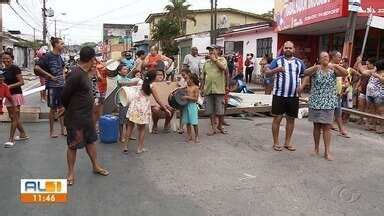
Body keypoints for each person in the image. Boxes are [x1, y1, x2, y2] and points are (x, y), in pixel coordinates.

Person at [62, 46, 109, 186]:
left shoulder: (85, 72)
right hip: (75, 118)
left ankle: (95, 166)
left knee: (90, 141)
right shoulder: (75, 74)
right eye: (94, 59)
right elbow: (65, 96)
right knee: (73, 145)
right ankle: (70, 173)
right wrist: (68, 109)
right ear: (91, 58)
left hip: (87, 116)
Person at [302, 51, 348, 161]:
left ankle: (327, 151)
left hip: (328, 102)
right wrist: (316, 66)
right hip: (316, 101)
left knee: (327, 127)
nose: (325, 58)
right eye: (322, 57)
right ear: (319, 59)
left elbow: (345, 72)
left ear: (329, 58)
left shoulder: (334, 70)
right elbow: (305, 72)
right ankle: (316, 148)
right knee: (316, 126)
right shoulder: (316, 69)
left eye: (326, 56)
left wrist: (336, 65)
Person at [264, 41, 305, 151]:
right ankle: (276, 142)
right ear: (283, 49)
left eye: (290, 48)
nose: (288, 49)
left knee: (291, 120)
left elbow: (305, 75)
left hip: (293, 96)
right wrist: (276, 70)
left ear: (293, 49)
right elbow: (267, 72)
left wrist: (302, 86)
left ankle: (287, 142)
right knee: (277, 118)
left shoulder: (299, 62)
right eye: (286, 48)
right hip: (279, 95)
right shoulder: (277, 61)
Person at [125, 71, 172, 154]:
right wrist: (166, 109)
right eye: (157, 75)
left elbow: (129, 83)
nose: (159, 77)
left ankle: (125, 146)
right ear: (153, 78)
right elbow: (158, 100)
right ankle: (140, 148)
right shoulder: (151, 86)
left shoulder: (140, 81)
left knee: (130, 126)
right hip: (143, 107)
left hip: (134, 105)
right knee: (142, 129)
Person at [34, 37, 66, 138]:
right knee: (53, 109)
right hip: (52, 87)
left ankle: (63, 129)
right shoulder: (48, 56)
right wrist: (50, 76)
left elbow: (63, 67)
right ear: (56, 45)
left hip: (62, 86)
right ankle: (51, 131)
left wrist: (64, 76)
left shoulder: (60, 56)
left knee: (62, 108)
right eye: (61, 43)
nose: (63, 45)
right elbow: (37, 68)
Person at [2, 52, 29, 147]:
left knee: (14, 117)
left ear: (12, 59)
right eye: (3, 58)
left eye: (8, 58)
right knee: (13, 117)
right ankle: (23, 134)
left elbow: (22, 82)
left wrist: (8, 87)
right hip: (8, 96)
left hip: (16, 95)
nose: (5, 60)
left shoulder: (15, 68)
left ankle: (11, 139)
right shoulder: (3, 70)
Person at [201, 45, 228, 135]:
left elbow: (223, 69)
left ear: (218, 51)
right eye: (209, 51)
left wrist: (215, 60)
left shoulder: (222, 60)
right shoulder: (206, 63)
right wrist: (202, 88)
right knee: (210, 110)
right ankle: (213, 128)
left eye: (212, 50)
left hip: (219, 89)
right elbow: (203, 77)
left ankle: (220, 125)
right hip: (208, 90)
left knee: (220, 110)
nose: (211, 52)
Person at [357, 57, 384, 133]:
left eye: (377, 66)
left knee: (380, 112)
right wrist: (359, 62)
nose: (376, 67)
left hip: (379, 95)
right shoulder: (373, 71)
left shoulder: (382, 73)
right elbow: (364, 72)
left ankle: (382, 127)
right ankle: (372, 125)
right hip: (370, 94)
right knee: (371, 111)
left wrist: (378, 76)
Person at [329, 51, 349, 137]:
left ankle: (341, 129)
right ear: (333, 57)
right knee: (329, 112)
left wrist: (342, 90)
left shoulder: (338, 67)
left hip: (337, 93)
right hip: (329, 94)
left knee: (338, 112)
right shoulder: (329, 66)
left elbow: (344, 76)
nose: (340, 59)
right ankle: (325, 127)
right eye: (339, 57)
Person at [116, 64, 137, 145]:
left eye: (126, 69)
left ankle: (129, 135)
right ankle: (121, 136)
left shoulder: (128, 79)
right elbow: (121, 83)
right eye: (124, 69)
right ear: (119, 71)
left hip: (129, 101)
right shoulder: (118, 78)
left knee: (129, 119)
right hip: (122, 102)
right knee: (122, 120)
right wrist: (133, 82)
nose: (126, 70)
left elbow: (133, 83)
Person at [151, 69, 175, 133]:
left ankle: (166, 124)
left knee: (172, 108)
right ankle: (155, 125)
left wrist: (170, 85)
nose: (160, 76)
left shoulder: (166, 83)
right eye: (158, 74)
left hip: (165, 103)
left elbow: (173, 90)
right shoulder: (151, 84)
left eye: (161, 74)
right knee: (156, 109)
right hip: (154, 104)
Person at [355, 57, 376, 126]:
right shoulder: (365, 68)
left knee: (369, 108)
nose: (367, 65)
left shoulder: (374, 70)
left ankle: (368, 121)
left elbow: (363, 72)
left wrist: (359, 62)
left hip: (370, 92)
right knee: (361, 105)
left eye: (368, 64)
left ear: (373, 65)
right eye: (366, 64)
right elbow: (361, 76)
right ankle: (360, 119)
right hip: (363, 90)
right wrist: (358, 86)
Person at [182, 73, 200, 143]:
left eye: (188, 79)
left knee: (194, 122)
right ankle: (189, 136)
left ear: (192, 80)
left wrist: (187, 97)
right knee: (188, 122)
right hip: (186, 105)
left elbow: (196, 99)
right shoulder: (187, 87)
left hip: (192, 106)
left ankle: (196, 136)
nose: (187, 80)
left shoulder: (196, 87)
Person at [0, 70, 17, 147]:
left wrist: (14, 107)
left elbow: (10, 98)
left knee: (14, 118)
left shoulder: (4, 86)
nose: (1, 78)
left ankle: (11, 139)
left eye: (2, 77)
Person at [176, 68, 191, 134]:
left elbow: (187, 88)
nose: (183, 76)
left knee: (187, 114)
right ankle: (181, 127)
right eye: (182, 75)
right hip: (183, 99)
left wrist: (181, 87)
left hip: (189, 99)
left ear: (189, 74)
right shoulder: (182, 80)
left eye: (184, 75)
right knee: (182, 113)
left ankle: (185, 128)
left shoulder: (190, 80)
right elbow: (178, 85)